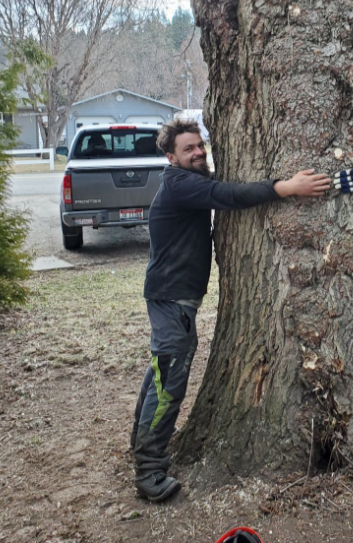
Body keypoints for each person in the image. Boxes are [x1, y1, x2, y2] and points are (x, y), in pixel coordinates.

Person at [131, 119, 331, 502]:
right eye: (189, 149)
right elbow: (229, 194)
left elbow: (219, 189)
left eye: (200, 145)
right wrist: (285, 188)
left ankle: (140, 446)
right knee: (168, 382)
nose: (199, 152)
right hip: (171, 299)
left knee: (161, 373)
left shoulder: (184, 183)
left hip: (172, 297)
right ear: (171, 156)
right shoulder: (179, 182)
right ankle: (149, 471)